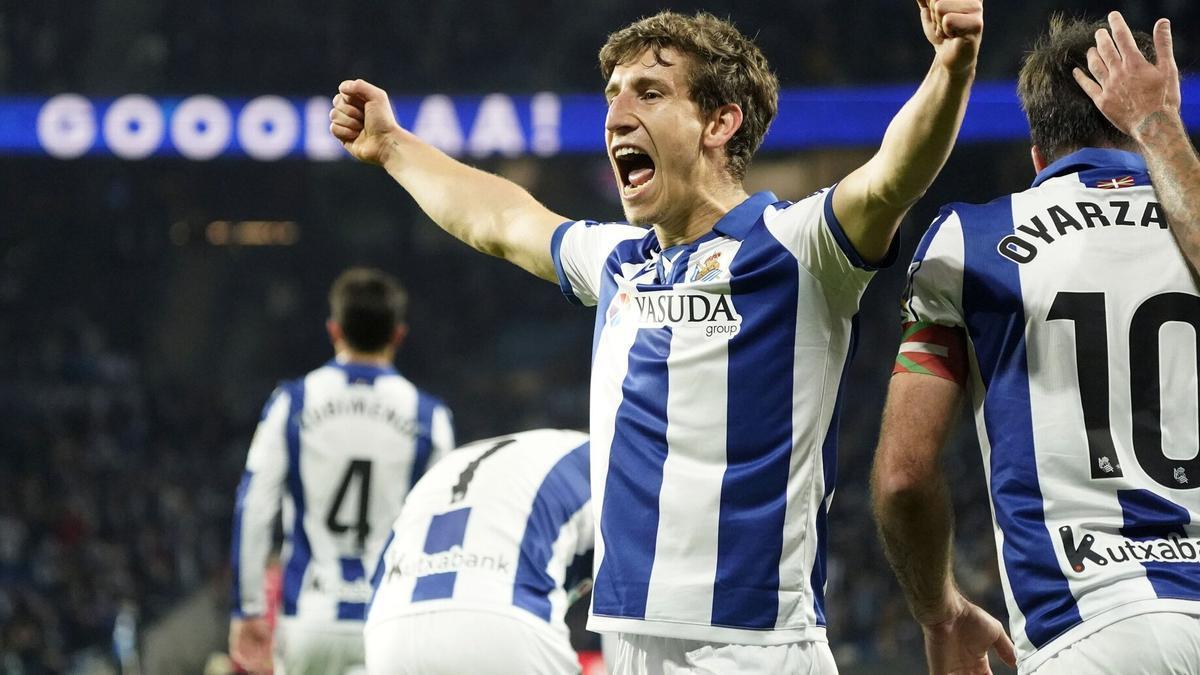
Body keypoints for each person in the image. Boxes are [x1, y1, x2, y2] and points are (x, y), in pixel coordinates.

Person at [331, 3, 983, 670]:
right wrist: (393, 146)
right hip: (626, 642)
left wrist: (951, 67)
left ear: (720, 121)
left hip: (756, 647)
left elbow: (891, 177)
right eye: (612, 94)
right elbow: (499, 220)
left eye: (649, 91)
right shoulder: (617, 260)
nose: (616, 115)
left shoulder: (798, 246)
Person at [873, 11, 1200, 675]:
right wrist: (1161, 126)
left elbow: (903, 475)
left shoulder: (970, 241)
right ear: (1152, 118)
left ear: (1037, 155)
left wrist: (941, 610)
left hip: (1085, 636)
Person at [229, 268, 455, 675]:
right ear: (398, 335)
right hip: (389, 619)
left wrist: (248, 608)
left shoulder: (292, 404)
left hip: (308, 618)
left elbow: (255, 506)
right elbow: (444, 526)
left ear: (334, 330)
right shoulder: (429, 417)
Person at [365, 428, 591, 675]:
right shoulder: (606, 460)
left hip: (388, 630)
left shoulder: (458, 458)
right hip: (505, 625)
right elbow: (624, 603)